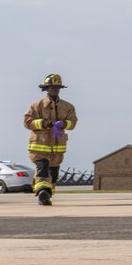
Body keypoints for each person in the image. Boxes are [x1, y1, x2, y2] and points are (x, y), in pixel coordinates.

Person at [22, 73, 77, 208]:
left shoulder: (68, 107)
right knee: (43, 169)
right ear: (46, 89)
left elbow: (73, 123)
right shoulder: (36, 106)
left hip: (57, 149)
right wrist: (43, 123)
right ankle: (42, 193)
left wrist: (64, 124)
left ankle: (47, 193)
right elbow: (27, 122)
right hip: (39, 147)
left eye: (57, 88)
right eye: (52, 88)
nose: (54, 90)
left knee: (53, 173)